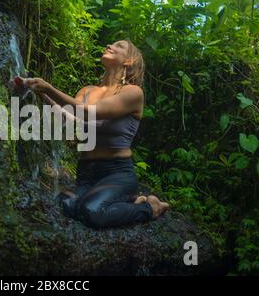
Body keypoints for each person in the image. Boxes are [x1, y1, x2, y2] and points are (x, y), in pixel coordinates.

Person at [20, 39, 169, 229]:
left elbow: (89, 112)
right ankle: (129, 202)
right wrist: (39, 91)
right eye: (111, 44)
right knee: (64, 205)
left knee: (92, 212)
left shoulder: (133, 93)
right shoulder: (87, 90)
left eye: (119, 46)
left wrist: (48, 87)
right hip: (86, 174)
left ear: (129, 61)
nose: (110, 46)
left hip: (116, 174)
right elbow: (69, 116)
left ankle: (150, 208)